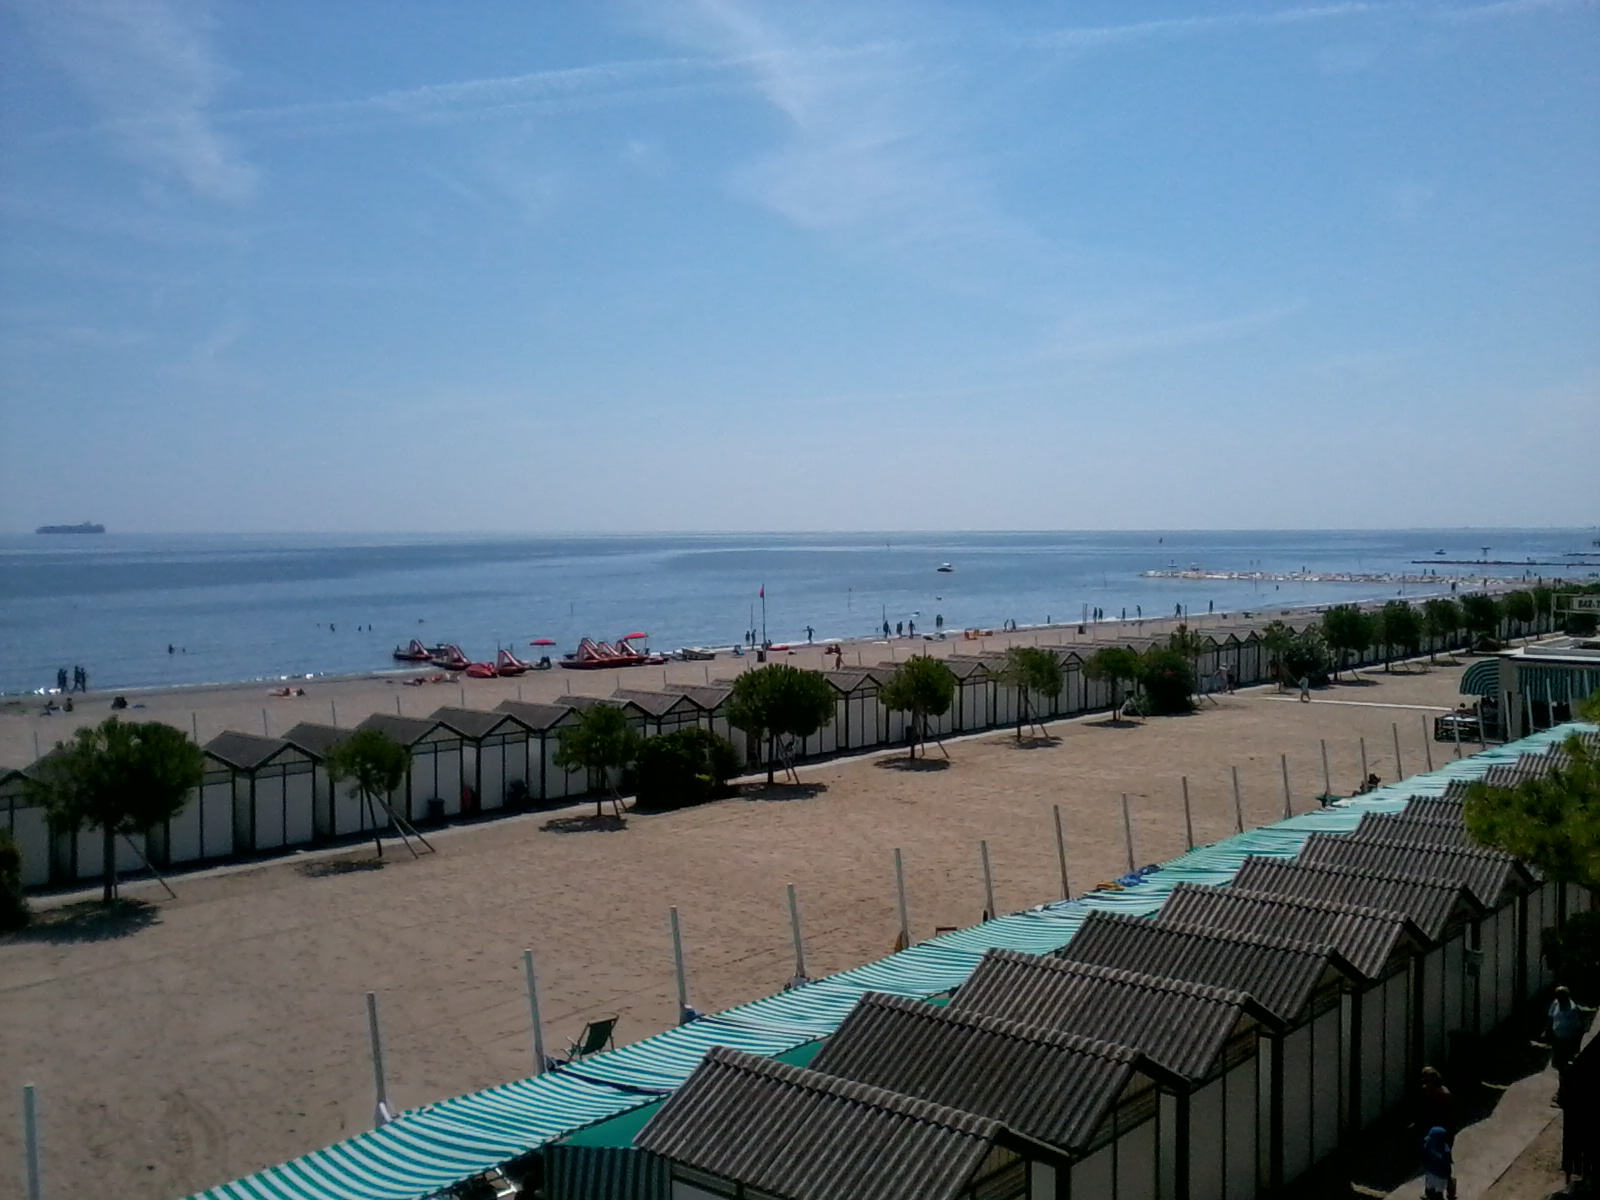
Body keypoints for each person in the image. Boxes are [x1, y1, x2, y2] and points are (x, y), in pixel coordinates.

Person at [1546, 985, 1587, 1070]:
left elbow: (1577, 1025)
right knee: (1557, 1059)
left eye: (1560, 996)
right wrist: (1548, 1029)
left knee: (1565, 1058)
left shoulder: (1572, 1008)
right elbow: (1550, 1016)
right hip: (1557, 1036)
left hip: (1568, 1038)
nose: (1558, 998)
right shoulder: (1556, 1003)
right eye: (1557, 996)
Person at [1417, 1068, 1455, 1143]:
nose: (1426, 1084)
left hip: (1443, 1127)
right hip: (1429, 1125)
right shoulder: (1425, 1091)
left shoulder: (1445, 1095)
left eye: (1428, 1081)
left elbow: (1451, 1117)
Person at [1421, 1126, 1453, 1200]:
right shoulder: (1445, 1150)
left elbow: (1423, 1153)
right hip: (1438, 1174)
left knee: (1432, 1190)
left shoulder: (1429, 1143)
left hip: (1433, 1172)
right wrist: (1449, 1175)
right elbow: (1447, 1164)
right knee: (1435, 1191)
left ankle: (1430, 1196)